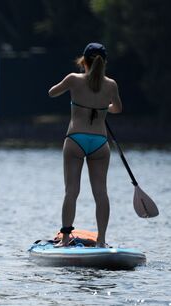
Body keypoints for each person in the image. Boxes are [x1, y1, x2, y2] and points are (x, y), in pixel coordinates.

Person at [48, 43, 123, 247]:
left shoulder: (73, 79)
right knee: (101, 193)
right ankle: (102, 241)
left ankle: (64, 239)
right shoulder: (111, 85)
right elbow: (117, 109)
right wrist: (102, 106)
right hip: (100, 142)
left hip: (75, 140)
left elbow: (52, 92)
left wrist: (71, 92)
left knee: (71, 191)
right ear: (104, 62)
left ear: (84, 61)